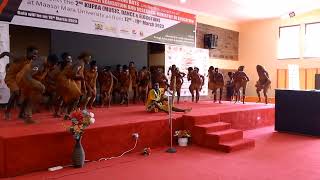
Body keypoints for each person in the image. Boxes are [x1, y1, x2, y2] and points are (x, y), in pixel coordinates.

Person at [0, 46, 39, 120]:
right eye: (34, 53)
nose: (35, 56)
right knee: (16, 92)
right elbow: (6, 53)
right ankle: (7, 113)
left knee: (27, 94)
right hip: (11, 78)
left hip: (20, 79)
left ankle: (21, 114)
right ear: (28, 53)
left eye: (36, 54)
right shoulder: (20, 58)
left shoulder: (31, 62)